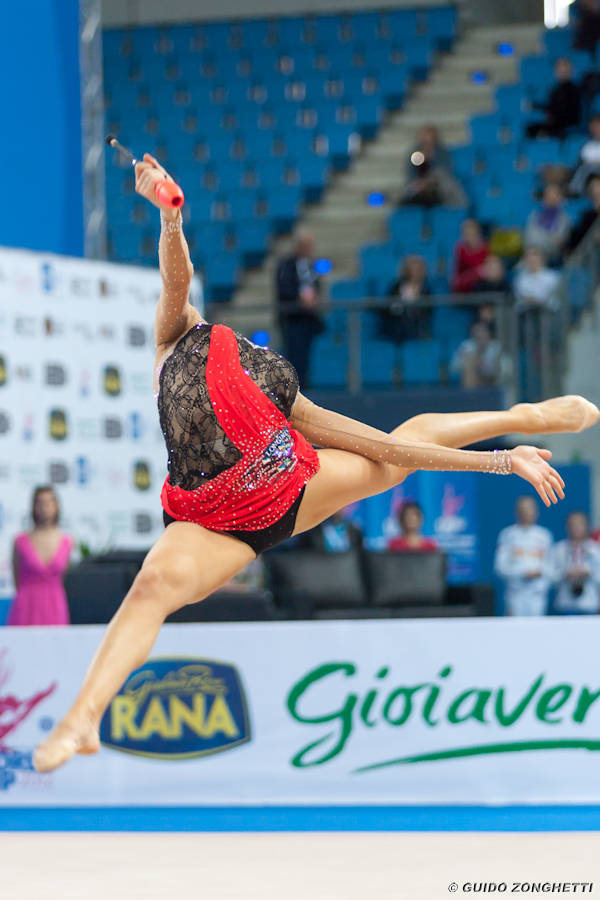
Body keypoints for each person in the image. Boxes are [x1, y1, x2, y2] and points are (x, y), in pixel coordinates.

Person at [33, 151, 598, 774]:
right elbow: (176, 276)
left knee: (395, 454)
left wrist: (502, 461)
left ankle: (522, 415)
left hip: (290, 488)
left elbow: (389, 448)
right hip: (210, 520)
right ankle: (83, 718)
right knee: (151, 587)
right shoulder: (175, 336)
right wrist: (171, 214)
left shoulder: (279, 388)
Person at [7, 487, 74, 626]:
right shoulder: (20, 541)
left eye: (49, 502)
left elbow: (65, 577)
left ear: (56, 506)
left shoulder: (67, 542)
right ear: (33, 507)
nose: (45, 508)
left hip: (55, 607)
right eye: (40, 503)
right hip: (26, 606)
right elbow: (16, 577)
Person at [275, 228, 324, 389]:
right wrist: (299, 297)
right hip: (292, 318)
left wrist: (314, 298)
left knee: (306, 358)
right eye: (305, 245)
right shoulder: (286, 265)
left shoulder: (312, 265)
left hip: (308, 318)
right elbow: (283, 288)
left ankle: (306, 386)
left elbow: (316, 285)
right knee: (293, 356)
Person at [494, 496, 554, 616]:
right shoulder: (507, 535)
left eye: (530, 509)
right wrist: (522, 573)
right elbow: (500, 568)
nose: (527, 513)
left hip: (537, 595)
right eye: (523, 509)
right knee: (516, 626)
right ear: (516, 512)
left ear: (536, 511)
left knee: (537, 626)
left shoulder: (544, 536)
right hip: (516, 595)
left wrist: (540, 572)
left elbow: (551, 566)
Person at [401, 124, 467, 207]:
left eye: (429, 137)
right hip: (418, 189)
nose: (427, 141)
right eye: (424, 138)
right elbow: (410, 174)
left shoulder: (442, 153)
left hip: (437, 188)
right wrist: (419, 184)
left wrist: (428, 182)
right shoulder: (415, 154)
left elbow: (444, 172)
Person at [552, 511, 600, 614]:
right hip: (565, 604)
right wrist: (565, 574)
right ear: (567, 527)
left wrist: (589, 573)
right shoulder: (559, 549)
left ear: (587, 526)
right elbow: (550, 578)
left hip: (589, 604)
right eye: (573, 524)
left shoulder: (596, 550)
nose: (576, 528)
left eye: (580, 524)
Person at [378, 255, 431, 343]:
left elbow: (428, 311)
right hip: (397, 327)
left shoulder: (426, 290)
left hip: (418, 328)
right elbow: (389, 309)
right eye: (412, 269)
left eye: (418, 269)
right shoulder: (395, 287)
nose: (415, 272)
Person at [526, 57, 581, 139]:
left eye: (565, 70)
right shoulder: (555, 89)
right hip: (554, 123)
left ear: (571, 71)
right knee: (530, 129)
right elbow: (551, 109)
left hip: (567, 123)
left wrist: (543, 108)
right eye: (560, 70)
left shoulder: (574, 89)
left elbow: (567, 111)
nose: (562, 73)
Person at [524, 184, 571, 265]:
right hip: (532, 252)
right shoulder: (535, 215)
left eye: (554, 197)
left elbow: (558, 242)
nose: (550, 199)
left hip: (551, 257)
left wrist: (543, 237)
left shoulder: (564, 219)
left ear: (560, 198)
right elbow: (528, 238)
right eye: (547, 196)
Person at [450, 322, 503, 389]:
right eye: (477, 331)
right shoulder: (466, 346)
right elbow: (454, 367)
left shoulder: (495, 347)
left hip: (491, 380)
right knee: (469, 363)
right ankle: (471, 393)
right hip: (470, 378)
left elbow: (498, 370)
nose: (479, 334)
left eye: (483, 331)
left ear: (489, 333)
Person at [514, 247, 561, 314]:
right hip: (526, 314)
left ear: (542, 257)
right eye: (528, 256)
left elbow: (554, 299)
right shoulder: (520, 279)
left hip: (549, 314)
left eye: (535, 254)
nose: (531, 258)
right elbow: (520, 299)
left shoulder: (553, 277)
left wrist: (538, 300)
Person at [451, 219, 489, 293]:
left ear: (478, 233)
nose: (469, 237)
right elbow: (456, 282)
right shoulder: (460, 250)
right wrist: (476, 273)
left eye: (472, 234)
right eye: (466, 234)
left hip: (484, 289)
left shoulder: (486, 249)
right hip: (466, 292)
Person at [566, 174, 600, 254]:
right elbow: (577, 238)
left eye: (598, 185)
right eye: (592, 187)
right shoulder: (588, 216)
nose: (595, 190)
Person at [569, 116, 600, 196]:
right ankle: (575, 193)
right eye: (593, 126)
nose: (595, 129)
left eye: (597, 126)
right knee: (583, 169)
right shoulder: (586, 144)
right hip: (588, 171)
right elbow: (583, 161)